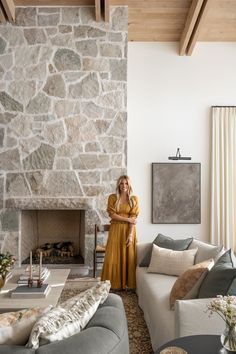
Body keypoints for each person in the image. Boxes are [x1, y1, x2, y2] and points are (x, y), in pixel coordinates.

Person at [101, 175, 139, 290]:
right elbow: (112, 215)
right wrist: (127, 219)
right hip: (115, 230)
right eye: (122, 183)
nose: (124, 186)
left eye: (126, 183)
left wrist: (131, 235)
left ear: (129, 185)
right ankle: (112, 284)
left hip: (129, 230)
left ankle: (128, 284)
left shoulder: (134, 199)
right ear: (118, 185)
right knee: (112, 256)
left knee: (129, 256)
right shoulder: (112, 198)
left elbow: (134, 217)